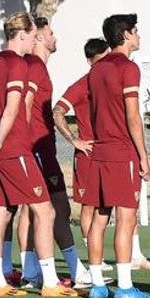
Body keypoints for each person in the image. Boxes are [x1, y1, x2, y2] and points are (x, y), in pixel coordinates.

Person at [0, 12, 77, 297]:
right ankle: (49, 282)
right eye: (33, 33)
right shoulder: (18, 64)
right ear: (22, 34)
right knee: (45, 211)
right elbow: (12, 107)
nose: (36, 38)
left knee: (1, 212)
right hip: (14, 148)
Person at [84, 14, 150, 298]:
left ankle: (98, 285)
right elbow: (133, 116)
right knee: (126, 218)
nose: (138, 35)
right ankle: (124, 288)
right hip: (122, 151)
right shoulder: (128, 68)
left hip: (100, 151)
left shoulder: (96, 69)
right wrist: (144, 156)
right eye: (135, 31)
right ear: (125, 34)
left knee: (99, 219)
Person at [20, 18, 87, 287]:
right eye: (49, 32)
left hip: (42, 147)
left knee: (53, 207)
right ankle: (33, 271)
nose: (54, 36)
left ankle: (65, 268)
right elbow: (24, 105)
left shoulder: (39, 68)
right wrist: (24, 144)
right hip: (34, 147)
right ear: (37, 38)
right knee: (38, 209)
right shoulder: (34, 66)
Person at [53, 40, 109, 253]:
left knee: (111, 203)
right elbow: (57, 111)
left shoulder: (110, 83)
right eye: (101, 59)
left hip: (109, 153)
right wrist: (74, 140)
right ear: (90, 61)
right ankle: (94, 255)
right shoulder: (81, 85)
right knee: (89, 204)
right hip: (87, 154)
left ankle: (134, 254)